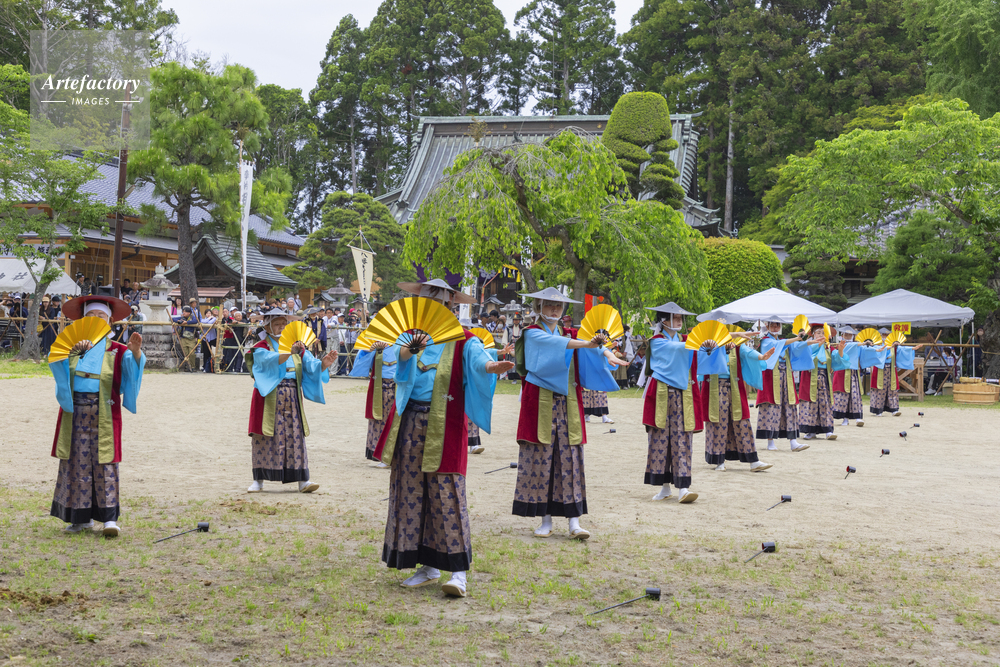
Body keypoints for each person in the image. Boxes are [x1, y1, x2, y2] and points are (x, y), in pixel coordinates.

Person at [373, 279, 513, 598]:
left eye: (441, 302)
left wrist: (492, 366)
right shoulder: (411, 336)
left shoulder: (464, 338)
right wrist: (410, 348)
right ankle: (427, 565)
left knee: (447, 492)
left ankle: (458, 571)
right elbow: (400, 361)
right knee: (411, 491)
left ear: (450, 305)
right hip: (410, 421)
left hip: (445, 423)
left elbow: (478, 360)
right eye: (429, 301)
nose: (435, 307)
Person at [513, 288, 627, 539]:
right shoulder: (532, 333)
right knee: (543, 458)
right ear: (538, 307)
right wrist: (588, 343)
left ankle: (574, 522)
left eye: (559, 306)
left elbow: (592, 347)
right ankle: (545, 520)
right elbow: (559, 345)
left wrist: (608, 353)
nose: (555, 310)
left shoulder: (571, 334)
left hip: (568, 404)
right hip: (541, 404)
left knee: (571, 459)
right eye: (549, 305)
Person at [48, 286, 145, 536]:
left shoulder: (118, 350)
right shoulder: (71, 346)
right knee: (76, 463)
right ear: (82, 321)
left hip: (105, 411)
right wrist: (69, 353)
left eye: (101, 316)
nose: (95, 320)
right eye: (90, 316)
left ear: (110, 321)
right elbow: (56, 362)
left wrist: (136, 354)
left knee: (106, 463)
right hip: (75, 410)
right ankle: (80, 518)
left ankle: (109, 519)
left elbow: (129, 375)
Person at [245, 308, 338, 493]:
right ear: (267, 327)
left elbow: (310, 364)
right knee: (265, 435)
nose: (281, 327)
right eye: (277, 324)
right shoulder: (261, 346)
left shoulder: (298, 347)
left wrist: (323, 364)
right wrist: (290, 352)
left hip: (292, 394)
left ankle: (303, 480)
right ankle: (259, 479)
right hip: (269, 395)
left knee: (295, 435)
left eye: (284, 323)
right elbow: (266, 361)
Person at [640, 302, 705, 504]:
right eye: (674, 317)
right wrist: (699, 342)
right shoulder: (657, 341)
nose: (679, 321)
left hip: (683, 394)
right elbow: (675, 348)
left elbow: (698, 355)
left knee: (682, 439)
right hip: (661, 394)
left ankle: (683, 488)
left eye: (680, 318)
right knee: (660, 439)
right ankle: (665, 487)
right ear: (663, 320)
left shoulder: (686, 340)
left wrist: (716, 343)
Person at [702, 334, 775, 472]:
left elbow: (748, 352)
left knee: (742, 421)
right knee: (718, 422)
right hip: (715, 387)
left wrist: (762, 357)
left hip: (734, 386)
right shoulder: (709, 342)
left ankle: (753, 461)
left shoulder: (736, 345)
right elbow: (701, 357)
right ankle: (719, 461)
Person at [755, 321, 811, 452]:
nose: (775, 327)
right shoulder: (765, 341)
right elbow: (779, 345)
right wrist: (796, 338)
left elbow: (796, 347)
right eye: (772, 325)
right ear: (767, 326)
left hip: (786, 375)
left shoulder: (782, 341)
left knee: (789, 406)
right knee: (771, 406)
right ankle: (770, 441)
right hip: (770, 377)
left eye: (778, 325)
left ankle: (793, 442)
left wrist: (810, 341)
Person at [350, 339, 397, 467]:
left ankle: (395, 455)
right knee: (379, 420)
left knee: (396, 421)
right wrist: (369, 350)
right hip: (379, 387)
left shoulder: (402, 341)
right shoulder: (372, 341)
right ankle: (381, 454)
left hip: (399, 387)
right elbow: (359, 368)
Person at [797, 324, 838, 441]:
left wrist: (840, 351)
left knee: (825, 403)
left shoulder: (828, 347)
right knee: (811, 403)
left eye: (823, 333)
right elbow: (807, 353)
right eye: (818, 332)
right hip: (810, 377)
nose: (821, 335)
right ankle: (810, 431)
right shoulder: (809, 344)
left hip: (824, 377)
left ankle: (828, 431)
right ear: (813, 334)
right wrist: (819, 344)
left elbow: (837, 359)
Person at [832, 326, 864, 427]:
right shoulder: (840, 346)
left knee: (855, 395)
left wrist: (876, 349)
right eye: (846, 335)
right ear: (842, 335)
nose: (848, 336)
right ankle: (845, 419)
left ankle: (858, 417)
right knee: (843, 396)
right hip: (842, 372)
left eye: (850, 335)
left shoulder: (857, 346)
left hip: (853, 372)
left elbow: (865, 352)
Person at [172, 305, 200, 372]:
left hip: (191, 338)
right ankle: (188, 366)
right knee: (185, 353)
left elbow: (196, 321)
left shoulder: (193, 317)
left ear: (189, 313)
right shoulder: (182, 318)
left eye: (185, 312)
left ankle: (193, 367)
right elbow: (172, 319)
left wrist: (187, 322)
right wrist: (179, 321)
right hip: (183, 338)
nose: (184, 313)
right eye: (183, 311)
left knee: (192, 353)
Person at [199, 307, 218, 373]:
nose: (208, 314)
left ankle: (212, 366)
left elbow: (210, 323)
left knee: (213, 353)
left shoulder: (214, 318)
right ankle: (205, 366)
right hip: (205, 338)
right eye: (207, 313)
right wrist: (209, 319)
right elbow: (202, 322)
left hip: (212, 338)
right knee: (205, 353)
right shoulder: (203, 319)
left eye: (209, 313)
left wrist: (209, 319)